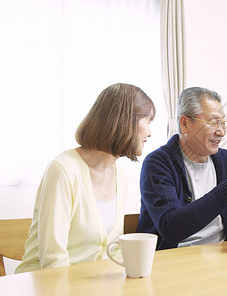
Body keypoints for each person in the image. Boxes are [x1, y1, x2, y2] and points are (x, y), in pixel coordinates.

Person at [16, 83, 155, 272]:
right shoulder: (63, 170)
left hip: (91, 287)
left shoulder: (120, 176)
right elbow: (53, 260)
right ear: (125, 121)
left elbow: (112, 252)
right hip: (46, 285)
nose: (149, 132)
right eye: (147, 120)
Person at [136, 87, 227, 251]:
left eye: (223, 123)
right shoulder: (158, 163)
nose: (221, 132)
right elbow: (171, 228)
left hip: (223, 258)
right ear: (185, 123)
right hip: (174, 261)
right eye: (213, 122)